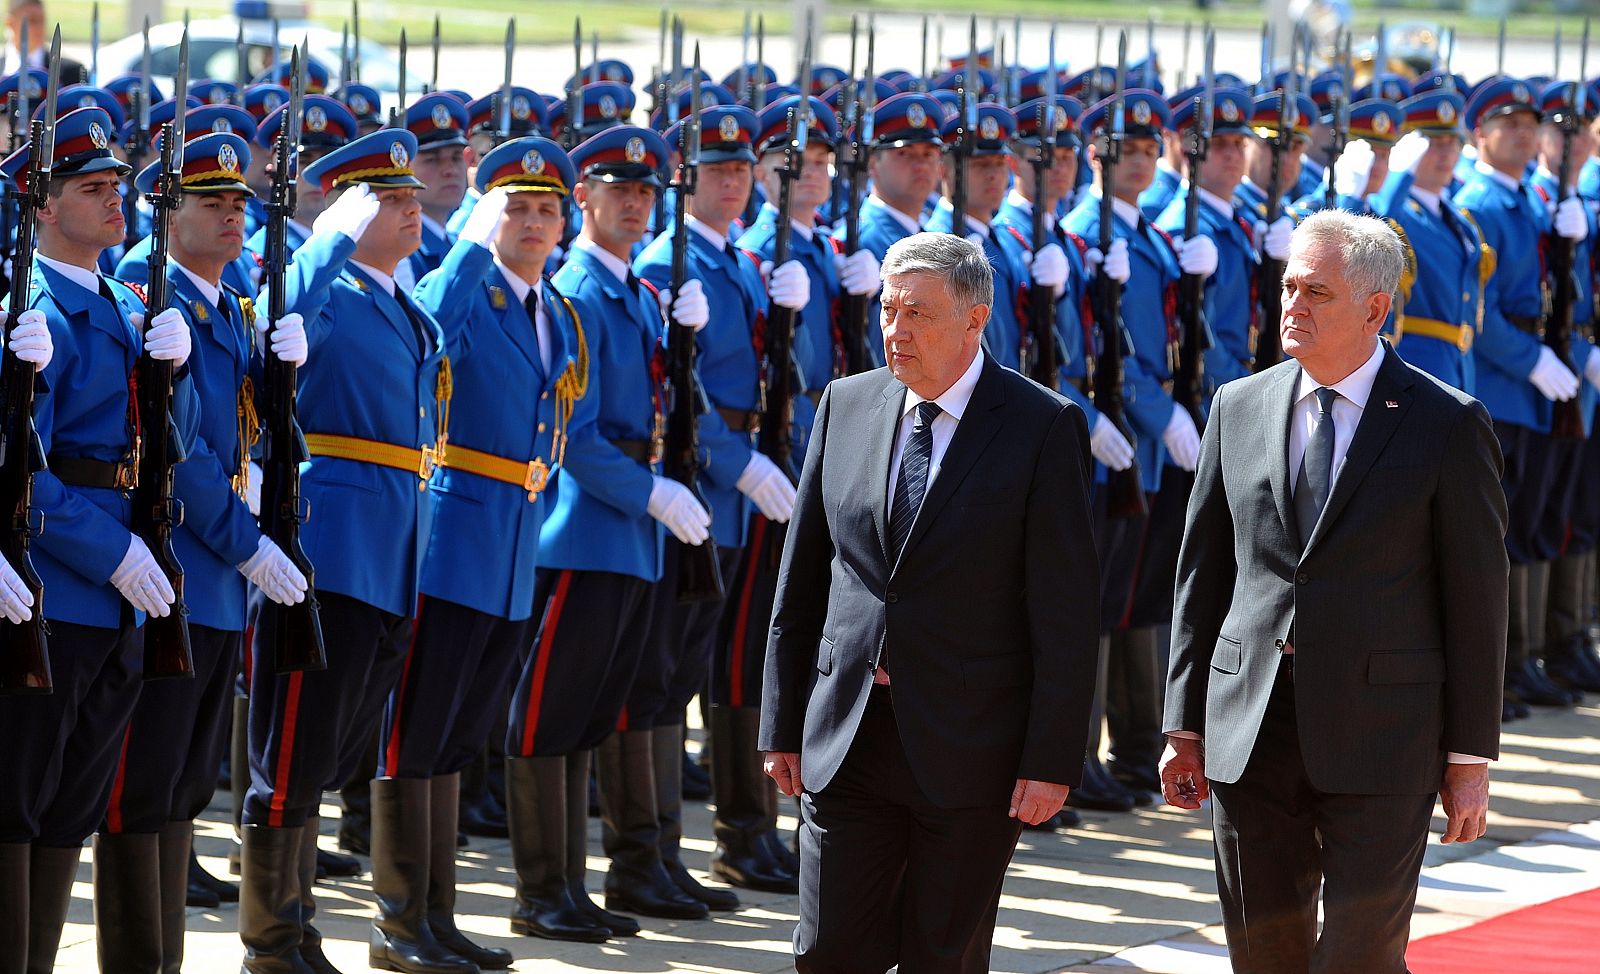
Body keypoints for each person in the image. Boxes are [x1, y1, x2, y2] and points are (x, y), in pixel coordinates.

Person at [1161, 209, 1507, 974]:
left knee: (1360, 956)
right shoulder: (1238, 406)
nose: (1294, 306)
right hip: (1252, 730)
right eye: (1288, 286)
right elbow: (1203, 576)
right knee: (1264, 954)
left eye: (1317, 291)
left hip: (1385, 737)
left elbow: (1477, 602)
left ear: (1376, 308)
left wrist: (1470, 755)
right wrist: (1183, 723)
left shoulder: (1445, 423)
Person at [760, 232, 1100, 973]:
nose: (895, 328)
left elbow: (1066, 612)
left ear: (975, 321)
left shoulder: (1041, 426)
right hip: (847, 735)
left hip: (970, 748)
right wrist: (781, 722)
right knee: (827, 952)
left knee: (941, 956)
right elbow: (803, 581)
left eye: (917, 312)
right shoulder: (845, 404)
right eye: (887, 308)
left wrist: (1051, 758)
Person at [92, 129, 310, 974]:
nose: (231, 217)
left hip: (216, 584)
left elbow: (249, 443)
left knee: (184, 787)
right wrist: (248, 542)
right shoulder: (157, 307)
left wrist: (280, 371)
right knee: (141, 790)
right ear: (167, 214)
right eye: (209, 203)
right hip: (171, 572)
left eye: (238, 204)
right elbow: (172, 461)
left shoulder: (228, 307)